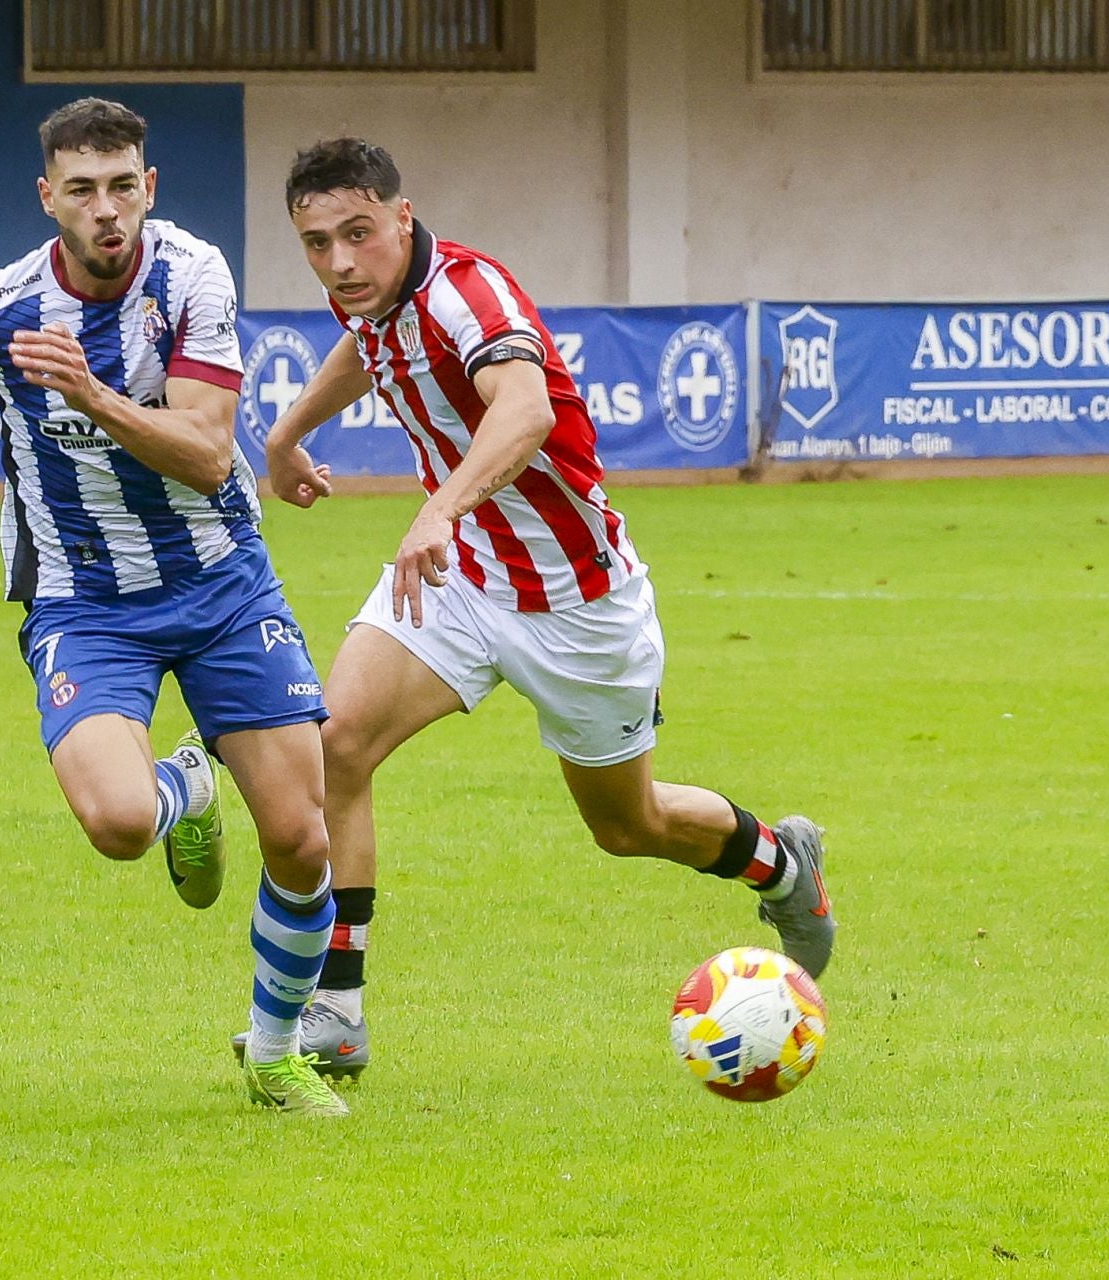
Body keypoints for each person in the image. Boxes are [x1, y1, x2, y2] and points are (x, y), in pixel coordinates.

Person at [241, 138, 837, 1077]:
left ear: (404, 217)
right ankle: (337, 1012)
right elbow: (371, 352)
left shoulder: (469, 294)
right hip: (464, 576)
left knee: (625, 825)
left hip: (578, 603)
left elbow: (525, 414)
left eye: (357, 234)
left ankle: (779, 861)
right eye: (316, 244)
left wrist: (437, 505)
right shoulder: (376, 296)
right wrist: (285, 432)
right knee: (334, 743)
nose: (339, 262)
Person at [0, 98, 348, 1116]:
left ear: (150, 188)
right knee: (122, 823)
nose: (107, 210)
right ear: (50, 199)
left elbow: (210, 449)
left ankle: (272, 1052)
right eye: (82, 190)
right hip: (85, 600)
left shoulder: (192, 277)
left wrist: (90, 396)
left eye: (123, 185)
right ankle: (185, 791)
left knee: (303, 836)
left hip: (221, 581)